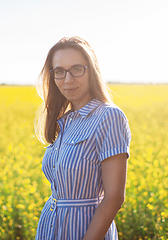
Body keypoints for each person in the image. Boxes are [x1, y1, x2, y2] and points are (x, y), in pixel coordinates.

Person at [35, 36, 131, 240]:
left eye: (77, 69)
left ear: (92, 71)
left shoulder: (109, 116)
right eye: (59, 72)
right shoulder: (65, 122)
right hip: (50, 229)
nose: (68, 80)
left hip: (85, 231)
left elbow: (114, 197)